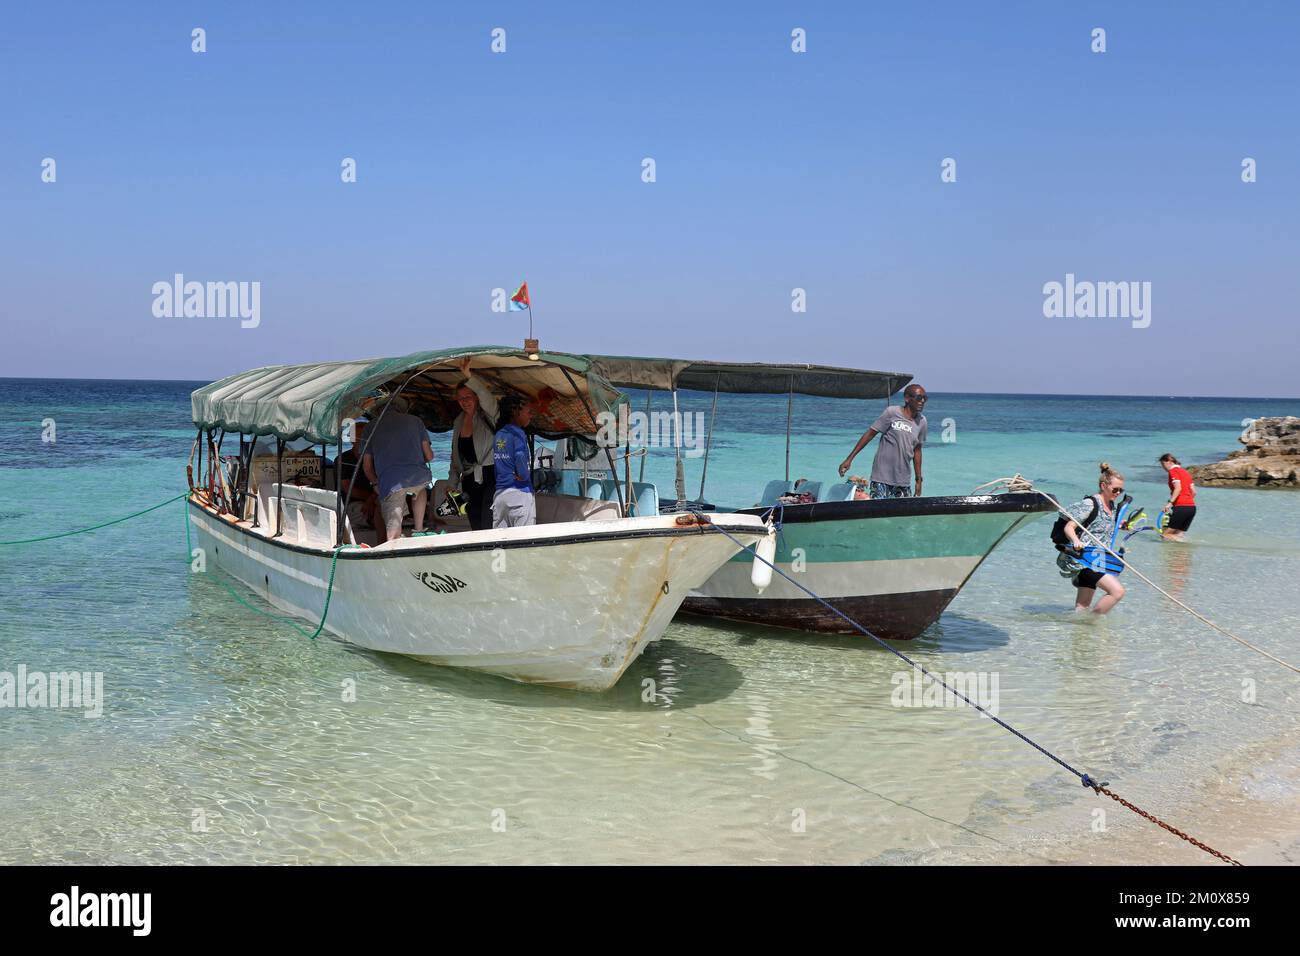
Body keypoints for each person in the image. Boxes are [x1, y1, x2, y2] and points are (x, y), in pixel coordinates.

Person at [1055, 462, 1127, 614]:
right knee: (1117, 592)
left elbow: (1100, 526)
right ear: (1103, 485)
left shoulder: (1112, 506)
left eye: (1121, 490)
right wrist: (1076, 541)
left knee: (1081, 609)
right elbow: (1069, 527)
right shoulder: (1089, 504)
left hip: (1099, 559)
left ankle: (1083, 633)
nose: (1118, 493)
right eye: (1115, 489)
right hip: (1086, 559)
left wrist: (1120, 525)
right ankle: (1094, 622)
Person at [362, 396, 434, 540]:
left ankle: (393, 546)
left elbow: (367, 466)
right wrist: (418, 461)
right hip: (417, 475)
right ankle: (419, 528)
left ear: (378, 411)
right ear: (400, 409)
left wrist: (376, 482)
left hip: (391, 481)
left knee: (393, 530)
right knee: (420, 488)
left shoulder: (371, 426)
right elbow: (430, 456)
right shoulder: (416, 421)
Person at [837, 384, 928, 498]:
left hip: (903, 480)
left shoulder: (922, 422)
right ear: (907, 398)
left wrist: (918, 481)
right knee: (878, 513)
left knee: (900, 515)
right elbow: (870, 434)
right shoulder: (892, 412)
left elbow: (917, 450)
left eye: (925, 398)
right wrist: (849, 459)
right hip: (881, 477)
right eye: (919, 398)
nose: (923, 401)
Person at [448, 357, 499, 531]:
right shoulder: (458, 421)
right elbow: (456, 456)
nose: (464, 401)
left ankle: (492, 554)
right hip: (469, 479)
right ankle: (481, 556)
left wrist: (468, 375)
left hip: (491, 475)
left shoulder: (488, 414)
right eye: (460, 398)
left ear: (476, 397)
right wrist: (452, 482)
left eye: (468, 396)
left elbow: (487, 396)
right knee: (475, 524)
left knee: (489, 521)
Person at [492, 395, 536, 529]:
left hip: (500, 496)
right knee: (525, 542)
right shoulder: (518, 433)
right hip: (519, 494)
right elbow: (519, 455)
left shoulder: (498, 434)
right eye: (529, 412)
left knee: (500, 543)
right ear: (516, 412)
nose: (531, 416)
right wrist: (524, 475)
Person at [338, 419, 381, 542]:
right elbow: (348, 489)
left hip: (376, 498)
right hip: (352, 504)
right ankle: (383, 541)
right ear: (352, 439)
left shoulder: (376, 458)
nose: (365, 439)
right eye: (361, 436)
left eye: (367, 436)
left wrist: (372, 498)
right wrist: (371, 498)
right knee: (377, 511)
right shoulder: (342, 459)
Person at [1158, 453, 1197, 541]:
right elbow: (1194, 492)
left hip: (1181, 507)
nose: (1163, 468)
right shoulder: (1185, 472)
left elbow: (1178, 488)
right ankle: (1179, 552)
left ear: (1169, 461)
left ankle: (1187, 542)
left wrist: (1170, 503)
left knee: (1165, 535)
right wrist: (1186, 500)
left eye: (1163, 465)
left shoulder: (1173, 471)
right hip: (1191, 508)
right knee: (1178, 534)